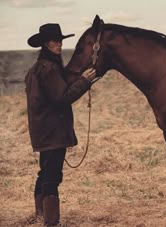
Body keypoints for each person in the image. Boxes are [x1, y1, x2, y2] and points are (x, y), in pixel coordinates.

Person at [25, 23, 96, 226]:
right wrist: (84, 81)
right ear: (46, 44)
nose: (60, 44)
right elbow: (62, 98)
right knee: (52, 177)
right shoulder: (48, 69)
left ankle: (40, 216)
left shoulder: (37, 69)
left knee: (45, 172)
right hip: (52, 132)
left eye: (60, 40)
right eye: (56, 41)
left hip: (43, 131)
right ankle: (51, 222)